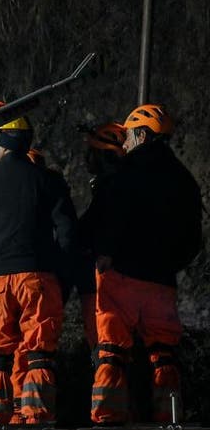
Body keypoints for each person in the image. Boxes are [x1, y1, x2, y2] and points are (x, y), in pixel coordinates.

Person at [89, 104, 201, 425]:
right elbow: (193, 239)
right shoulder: (185, 181)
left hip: (122, 274)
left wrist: (103, 251)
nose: (124, 143)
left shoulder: (125, 173)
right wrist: (170, 264)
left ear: (141, 134)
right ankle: (169, 418)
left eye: (128, 136)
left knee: (112, 351)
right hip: (163, 281)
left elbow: (106, 219)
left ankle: (107, 417)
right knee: (164, 354)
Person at [0, 102, 77, 424]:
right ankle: (36, 422)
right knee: (38, 354)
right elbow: (68, 234)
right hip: (36, 275)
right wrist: (61, 275)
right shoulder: (47, 181)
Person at [72, 122, 127, 349]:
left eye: (92, 152)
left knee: (105, 348)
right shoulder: (114, 188)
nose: (88, 159)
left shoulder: (111, 190)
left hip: (103, 283)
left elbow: (95, 228)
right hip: (109, 282)